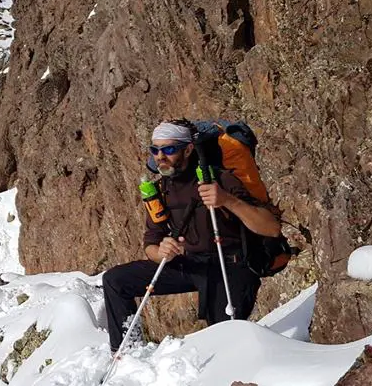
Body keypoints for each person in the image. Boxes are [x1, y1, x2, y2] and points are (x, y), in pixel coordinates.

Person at [101, 119, 281, 352]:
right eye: (155, 150)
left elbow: (271, 228)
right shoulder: (161, 190)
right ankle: (127, 353)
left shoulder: (219, 179)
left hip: (231, 266)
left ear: (187, 149)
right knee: (116, 280)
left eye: (169, 149)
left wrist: (227, 200)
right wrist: (160, 251)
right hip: (191, 264)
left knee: (224, 343)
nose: (160, 156)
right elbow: (151, 243)